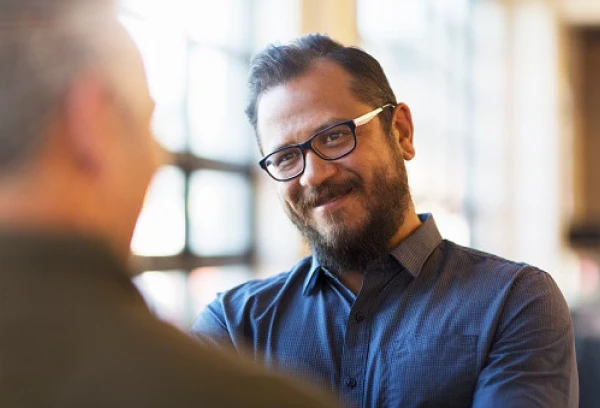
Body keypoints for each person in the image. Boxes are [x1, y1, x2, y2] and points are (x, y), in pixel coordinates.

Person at [192, 34, 579, 408]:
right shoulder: (234, 325)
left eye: (333, 137)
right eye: (285, 158)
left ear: (401, 132)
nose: (313, 175)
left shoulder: (514, 302)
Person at [0, 2, 340, 407]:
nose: (158, 157)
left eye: (334, 137)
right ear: (94, 124)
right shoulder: (236, 381)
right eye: (147, 123)